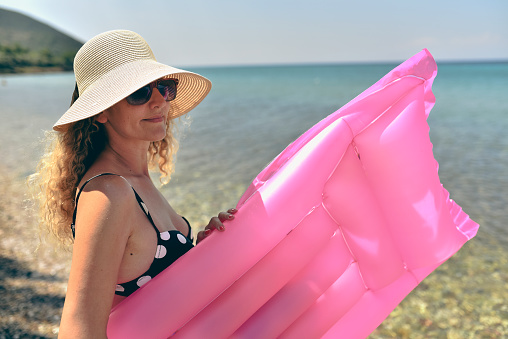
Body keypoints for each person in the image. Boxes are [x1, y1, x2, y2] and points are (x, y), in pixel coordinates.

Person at [31, 30, 236, 338]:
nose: (158, 101)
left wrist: (199, 254)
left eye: (165, 87)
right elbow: (79, 328)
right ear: (101, 111)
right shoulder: (109, 193)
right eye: (139, 92)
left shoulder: (135, 179)